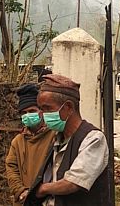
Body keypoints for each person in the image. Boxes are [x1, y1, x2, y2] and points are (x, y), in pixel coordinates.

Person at [24, 74, 109, 206]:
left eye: (47, 108)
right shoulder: (58, 139)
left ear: (68, 107)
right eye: (41, 109)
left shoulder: (93, 138)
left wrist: (42, 189)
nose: (42, 115)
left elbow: (73, 182)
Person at [6, 84, 56, 206]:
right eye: (24, 112)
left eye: (32, 111)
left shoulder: (55, 136)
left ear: (42, 111)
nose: (28, 115)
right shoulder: (18, 141)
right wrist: (20, 191)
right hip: (25, 201)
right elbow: (11, 167)